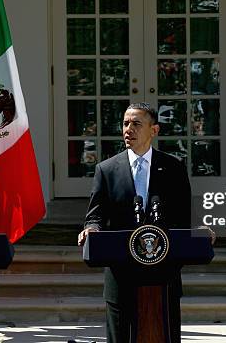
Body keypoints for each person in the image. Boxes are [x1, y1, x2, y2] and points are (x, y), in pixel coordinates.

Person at [77, 102, 192, 343]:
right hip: (121, 274)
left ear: (154, 130)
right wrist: (92, 229)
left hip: (163, 274)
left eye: (137, 124)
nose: (129, 129)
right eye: (125, 123)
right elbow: (95, 215)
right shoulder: (106, 169)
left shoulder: (174, 168)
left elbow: (182, 221)